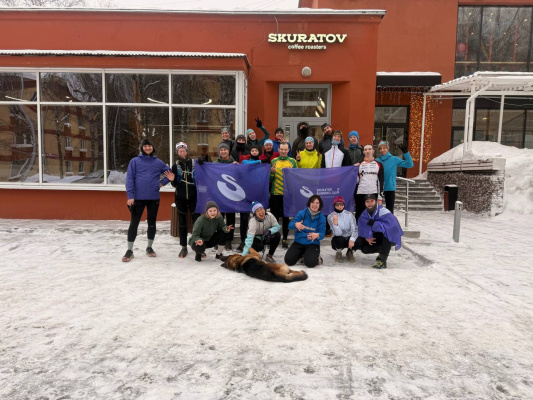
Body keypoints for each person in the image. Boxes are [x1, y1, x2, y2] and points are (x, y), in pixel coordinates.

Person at [123, 138, 176, 262]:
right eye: (145, 146)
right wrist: (130, 196)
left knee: (152, 223)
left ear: (153, 147)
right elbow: (129, 179)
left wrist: (162, 183)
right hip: (138, 198)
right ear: (142, 148)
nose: (147, 148)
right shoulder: (134, 161)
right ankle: (129, 250)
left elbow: (170, 174)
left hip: (153, 198)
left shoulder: (158, 162)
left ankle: (149, 248)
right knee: (134, 223)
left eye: (149, 146)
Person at [353, 194, 404, 269]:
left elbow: (392, 227)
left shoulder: (384, 212)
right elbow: (361, 227)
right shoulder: (364, 214)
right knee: (365, 249)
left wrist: (376, 223)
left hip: (390, 237)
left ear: (376, 201)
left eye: (372, 201)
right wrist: (366, 237)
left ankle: (383, 261)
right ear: (365, 203)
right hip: (377, 237)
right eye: (367, 201)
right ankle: (382, 252)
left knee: (386, 233)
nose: (369, 203)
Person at [171, 142, 199, 259]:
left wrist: (202, 161)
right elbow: (174, 184)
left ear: (187, 152)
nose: (182, 152)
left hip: (194, 198)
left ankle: (198, 245)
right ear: (177, 152)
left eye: (184, 150)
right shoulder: (175, 166)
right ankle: (183, 247)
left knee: (197, 223)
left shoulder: (194, 163)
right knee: (182, 223)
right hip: (180, 198)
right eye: (180, 151)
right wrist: (172, 180)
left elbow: (204, 172)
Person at [285, 194, 326, 268]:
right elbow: (290, 225)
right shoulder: (302, 213)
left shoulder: (322, 217)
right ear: (309, 203)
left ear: (320, 205)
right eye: (313, 202)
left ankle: (315, 256)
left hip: (312, 243)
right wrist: (295, 224)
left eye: (317, 203)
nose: (314, 205)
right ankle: (302, 255)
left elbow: (322, 234)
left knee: (310, 263)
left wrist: (317, 235)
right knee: (289, 261)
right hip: (299, 241)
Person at [270, 142, 297, 249]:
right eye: (281, 149)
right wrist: (272, 172)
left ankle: (285, 239)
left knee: (286, 218)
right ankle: (274, 238)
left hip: (287, 194)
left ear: (288, 150)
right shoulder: (274, 161)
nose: (283, 151)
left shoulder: (292, 161)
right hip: (275, 194)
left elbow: (296, 178)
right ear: (278, 149)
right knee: (274, 218)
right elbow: (270, 179)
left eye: (285, 149)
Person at [376, 140, 414, 214]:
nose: (382, 150)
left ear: (388, 148)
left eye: (384, 148)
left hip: (389, 187)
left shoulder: (394, 159)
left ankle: (389, 221)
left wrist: (406, 153)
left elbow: (409, 164)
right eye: (380, 148)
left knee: (389, 210)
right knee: (377, 210)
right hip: (378, 188)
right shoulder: (376, 160)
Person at [213, 142, 238, 250]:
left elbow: (240, 176)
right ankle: (218, 239)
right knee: (219, 218)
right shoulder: (215, 164)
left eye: (225, 149)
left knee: (230, 218)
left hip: (231, 195)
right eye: (221, 150)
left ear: (228, 151)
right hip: (219, 195)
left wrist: (238, 167)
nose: (223, 151)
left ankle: (228, 240)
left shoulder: (234, 163)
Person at [355, 144, 384, 222]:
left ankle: (372, 229)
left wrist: (380, 196)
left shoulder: (379, 164)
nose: (368, 151)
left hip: (373, 192)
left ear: (373, 151)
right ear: (363, 152)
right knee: (359, 214)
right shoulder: (359, 165)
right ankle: (359, 229)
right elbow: (356, 181)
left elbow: (381, 181)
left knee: (373, 215)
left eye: (369, 149)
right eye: (366, 149)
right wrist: (353, 170)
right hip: (361, 192)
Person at [327, 196, 357, 263]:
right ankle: (339, 252)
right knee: (339, 239)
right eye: (337, 204)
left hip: (349, 237)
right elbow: (337, 234)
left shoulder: (349, 214)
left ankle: (350, 251)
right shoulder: (330, 216)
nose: (339, 206)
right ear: (334, 205)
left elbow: (355, 228)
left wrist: (352, 239)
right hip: (339, 238)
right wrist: (335, 224)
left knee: (358, 240)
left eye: (341, 204)